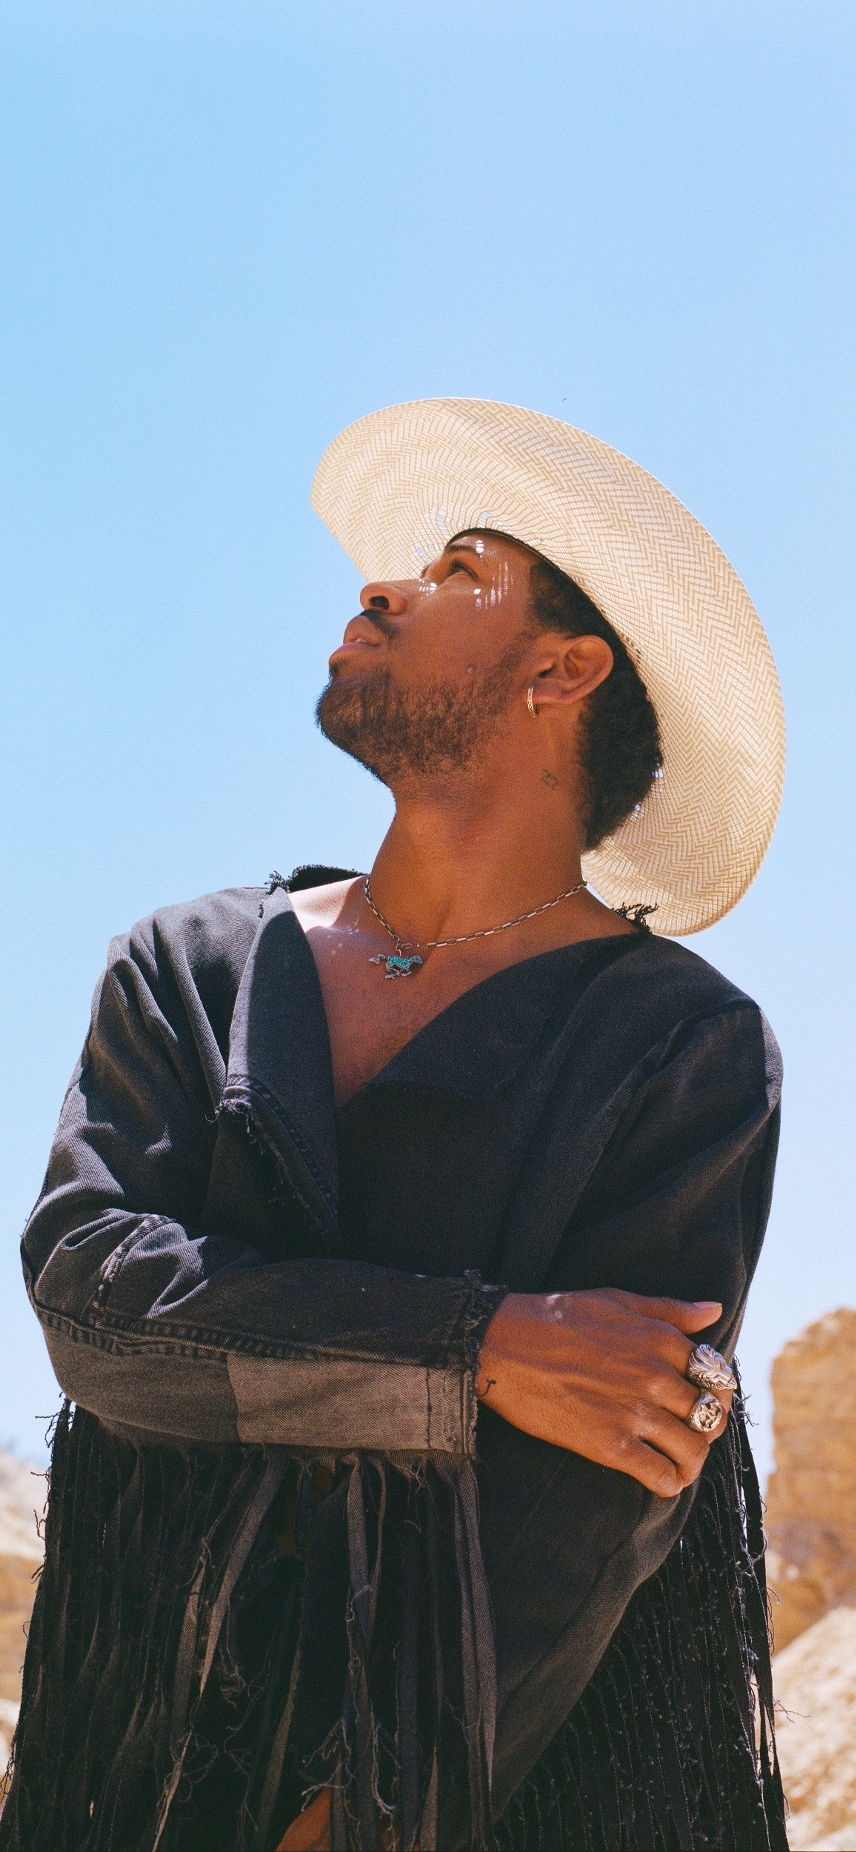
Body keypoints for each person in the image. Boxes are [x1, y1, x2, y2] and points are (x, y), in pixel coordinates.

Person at [1, 399, 788, 1852]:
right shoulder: (192, 965)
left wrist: (359, 1817)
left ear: (564, 670)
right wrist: (476, 1347)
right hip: (141, 1769)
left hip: (507, 1801)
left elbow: (600, 1483)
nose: (381, 585)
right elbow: (97, 1305)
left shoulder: (683, 1045)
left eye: (458, 570)